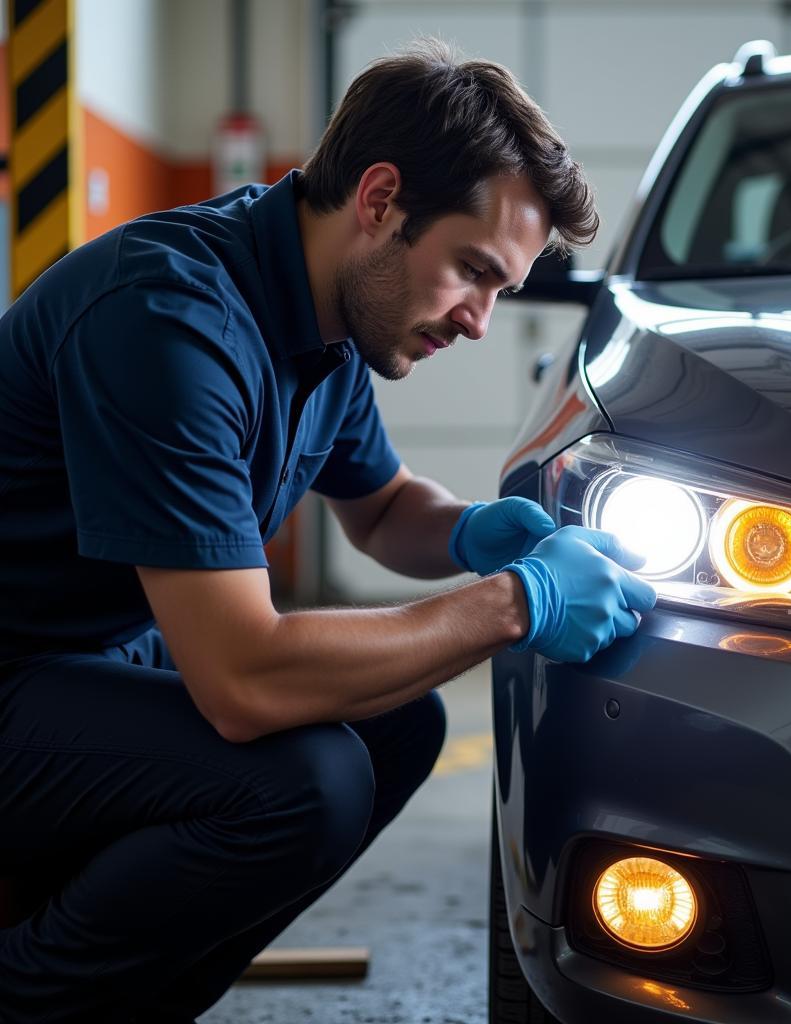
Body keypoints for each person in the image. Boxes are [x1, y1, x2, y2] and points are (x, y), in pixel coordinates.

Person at [0, 40, 656, 1023]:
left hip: (82, 663)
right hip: (16, 673)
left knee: (394, 721)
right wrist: (517, 601)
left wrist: (480, 532)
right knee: (306, 778)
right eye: (471, 271)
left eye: (501, 290)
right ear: (381, 199)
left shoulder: (334, 321)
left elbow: (383, 511)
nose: (479, 320)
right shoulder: (167, 322)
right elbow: (243, 679)